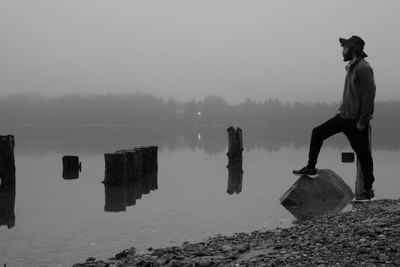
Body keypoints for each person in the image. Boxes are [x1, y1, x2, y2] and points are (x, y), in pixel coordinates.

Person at [293, 35, 376, 202]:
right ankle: (311, 168)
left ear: (353, 49)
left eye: (345, 47)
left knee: (363, 155)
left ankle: (368, 190)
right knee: (317, 132)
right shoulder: (351, 67)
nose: (342, 51)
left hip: (355, 122)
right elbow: (352, 95)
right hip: (343, 117)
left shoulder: (363, 68)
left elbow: (369, 96)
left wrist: (362, 121)